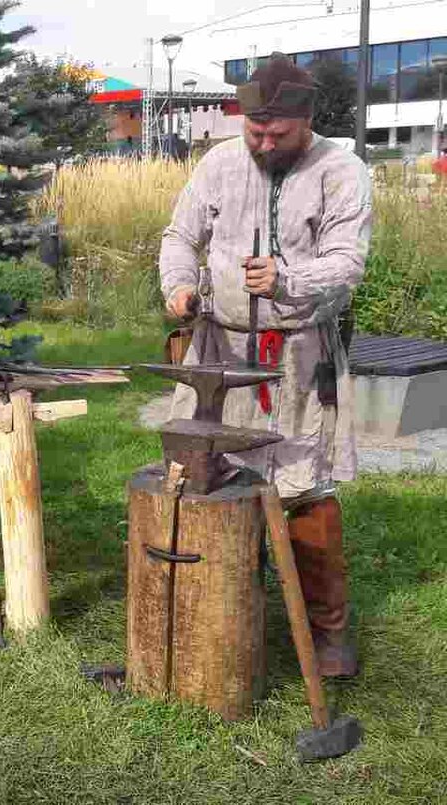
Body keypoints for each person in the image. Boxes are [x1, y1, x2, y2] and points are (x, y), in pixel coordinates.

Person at [159, 53, 372, 678]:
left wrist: (288, 279)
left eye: (278, 133)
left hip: (299, 352)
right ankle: (221, 607)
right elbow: (179, 236)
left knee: (306, 489)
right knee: (210, 473)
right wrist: (177, 285)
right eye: (256, 130)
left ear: (306, 121)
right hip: (219, 350)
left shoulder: (342, 171)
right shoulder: (220, 163)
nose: (265, 141)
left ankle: (327, 633)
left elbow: (347, 264)